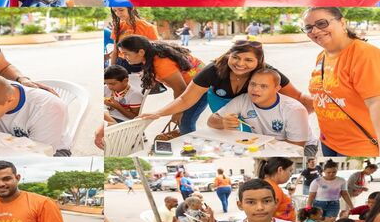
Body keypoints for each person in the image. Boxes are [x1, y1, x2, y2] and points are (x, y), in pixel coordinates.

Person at [140, 41, 312, 132]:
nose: (240, 64)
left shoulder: (267, 73)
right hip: (219, 100)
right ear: (229, 55)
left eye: (249, 60)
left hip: (251, 104)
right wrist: (158, 113)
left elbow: (298, 98)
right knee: (225, 127)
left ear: (259, 62)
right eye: (236, 57)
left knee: (253, 130)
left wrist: (301, 123)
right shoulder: (213, 70)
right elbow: (185, 99)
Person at [304, 7, 380, 157]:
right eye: (308, 27)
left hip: (362, 146)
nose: (315, 31)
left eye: (321, 23)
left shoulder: (365, 55)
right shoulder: (322, 56)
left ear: (342, 23)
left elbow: (378, 104)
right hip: (329, 142)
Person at [207, 68, 317, 156]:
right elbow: (211, 121)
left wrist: (263, 147)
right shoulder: (243, 100)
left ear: (277, 88)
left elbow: (296, 147)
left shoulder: (294, 109)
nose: (255, 89)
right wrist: (222, 122)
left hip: (304, 146)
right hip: (263, 144)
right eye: (253, 84)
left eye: (263, 86)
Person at [118, 35, 205, 134]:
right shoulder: (150, 53)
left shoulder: (161, 64)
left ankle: (190, 147)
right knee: (184, 121)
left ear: (141, 52)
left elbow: (180, 89)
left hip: (202, 87)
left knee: (184, 122)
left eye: (126, 54)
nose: (124, 58)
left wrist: (178, 111)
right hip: (193, 86)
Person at [109, 7, 159, 72]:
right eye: (115, 11)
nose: (118, 13)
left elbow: (154, 53)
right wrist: (111, 70)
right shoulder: (117, 27)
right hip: (120, 63)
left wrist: (149, 71)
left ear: (131, 8)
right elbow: (115, 51)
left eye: (121, 10)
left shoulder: (148, 27)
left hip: (141, 66)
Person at [258, 157, 296, 222]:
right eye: (290, 170)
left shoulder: (269, 184)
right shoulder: (272, 188)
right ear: (280, 170)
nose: (291, 175)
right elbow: (266, 214)